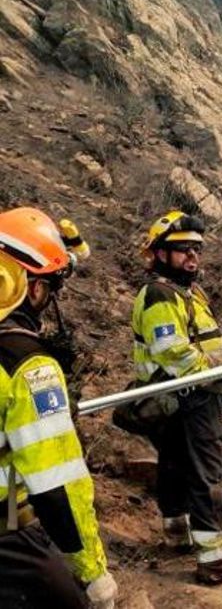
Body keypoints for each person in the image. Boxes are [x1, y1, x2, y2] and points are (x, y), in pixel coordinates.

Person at [0, 207, 116, 608]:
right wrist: (92, 571)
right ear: (33, 290)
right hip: (9, 541)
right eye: (50, 290)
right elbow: (56, 485)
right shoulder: (28, 365)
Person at [130, 211, 222, 584]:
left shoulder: (188, 291)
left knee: (174, 465)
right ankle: (214, 560)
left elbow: (202, 335)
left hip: (190, 393)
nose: (192, 256)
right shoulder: (159, 294)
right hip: (188, 396)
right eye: (183, 249)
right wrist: (219, 367)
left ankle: (178, 534)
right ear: (159, 254)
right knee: (205, 474)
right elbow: (173, 352)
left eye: (196, 249)